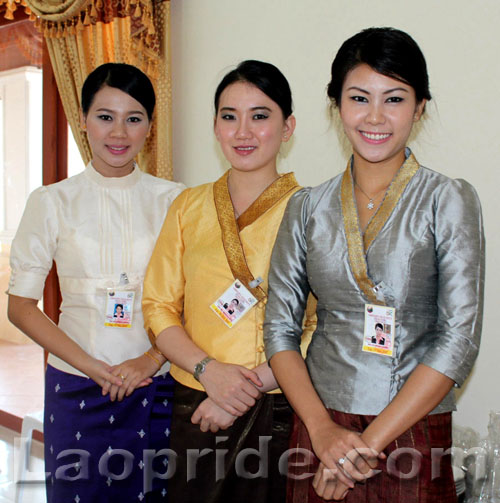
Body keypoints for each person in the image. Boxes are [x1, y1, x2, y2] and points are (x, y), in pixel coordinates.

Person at [264, 27, 484, 503]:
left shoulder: (447, 199)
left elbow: (460, 337)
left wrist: (365, 447)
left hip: (411, 429)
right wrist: (322, 431)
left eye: (395, 99)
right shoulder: (306, 207)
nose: (375, 117)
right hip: (319, 429)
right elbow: (279, 329)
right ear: (336, 104)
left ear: (420, 106)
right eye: (359, 97)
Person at [7, 63, 184, 502]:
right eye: (105, 116)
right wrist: (92, 367)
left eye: (134, 118)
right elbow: (21, 305)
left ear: (149, 126)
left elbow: (191, 299)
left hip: (155, 383)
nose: (118, 132)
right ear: (83, 120)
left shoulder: (177, 200)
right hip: (76, 384)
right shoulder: (51, 202)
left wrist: (148, 361)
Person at [142, 60, 314, 503]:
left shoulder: (313, 212)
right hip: (194, 402)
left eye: (260, 116)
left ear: (287, 126)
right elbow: (158, 306)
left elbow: (325, 324)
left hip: (279, 404)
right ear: (215, 126)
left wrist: (242, 388)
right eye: (228, 116)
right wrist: (209, 372)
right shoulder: (188, 206)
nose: (243, 131)